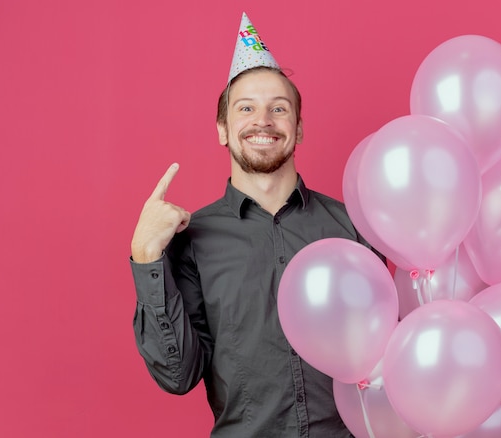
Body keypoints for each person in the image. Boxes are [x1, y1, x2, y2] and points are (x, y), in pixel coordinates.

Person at [130, 13, 385, 437]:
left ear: (298, 129)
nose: (262, 121)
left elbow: (388, 356)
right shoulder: (191, 241)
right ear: (223, 130)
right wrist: (145, 256)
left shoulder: (355, 227)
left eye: (278, 109)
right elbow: (178, 377)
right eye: (245, 108)